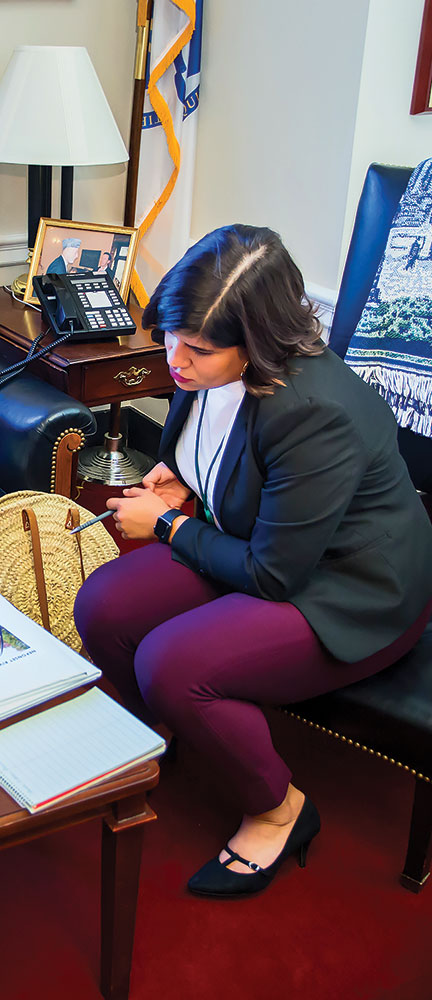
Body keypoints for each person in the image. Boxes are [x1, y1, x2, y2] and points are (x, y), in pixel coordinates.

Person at [73, 224, 432, 898]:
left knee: (171, 663)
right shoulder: (206, 356)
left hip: (349, 587)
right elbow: (225, 454)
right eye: (171, 337)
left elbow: (274, 575)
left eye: (198, 349)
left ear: (257, 341)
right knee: (102, 605)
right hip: (261, 540)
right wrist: (182, 476)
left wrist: (171, 525)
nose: (175, 361)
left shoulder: (315, 410)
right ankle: (173, 731)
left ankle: (279, 808)